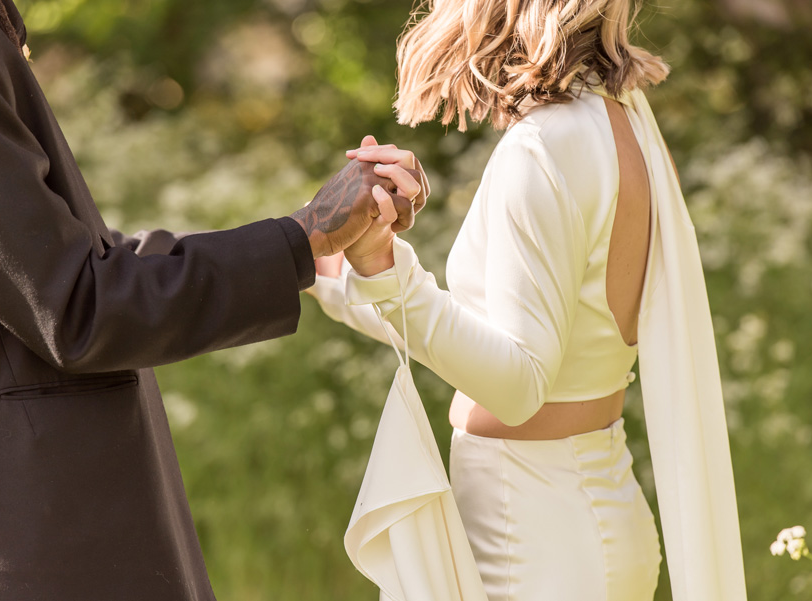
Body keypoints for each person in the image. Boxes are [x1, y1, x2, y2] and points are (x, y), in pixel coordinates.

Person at [0, 1, 429, 599]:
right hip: (39, 549)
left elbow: (77, 262)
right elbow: (76, 304)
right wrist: (299, 235)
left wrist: (301, 247)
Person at [309, 0, 749, 599]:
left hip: (530, 540)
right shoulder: (615, 120)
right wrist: (340, 271)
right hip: (574, 519)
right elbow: (497, 346)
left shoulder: (544, 146)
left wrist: (390, 272)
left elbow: (518, 385)